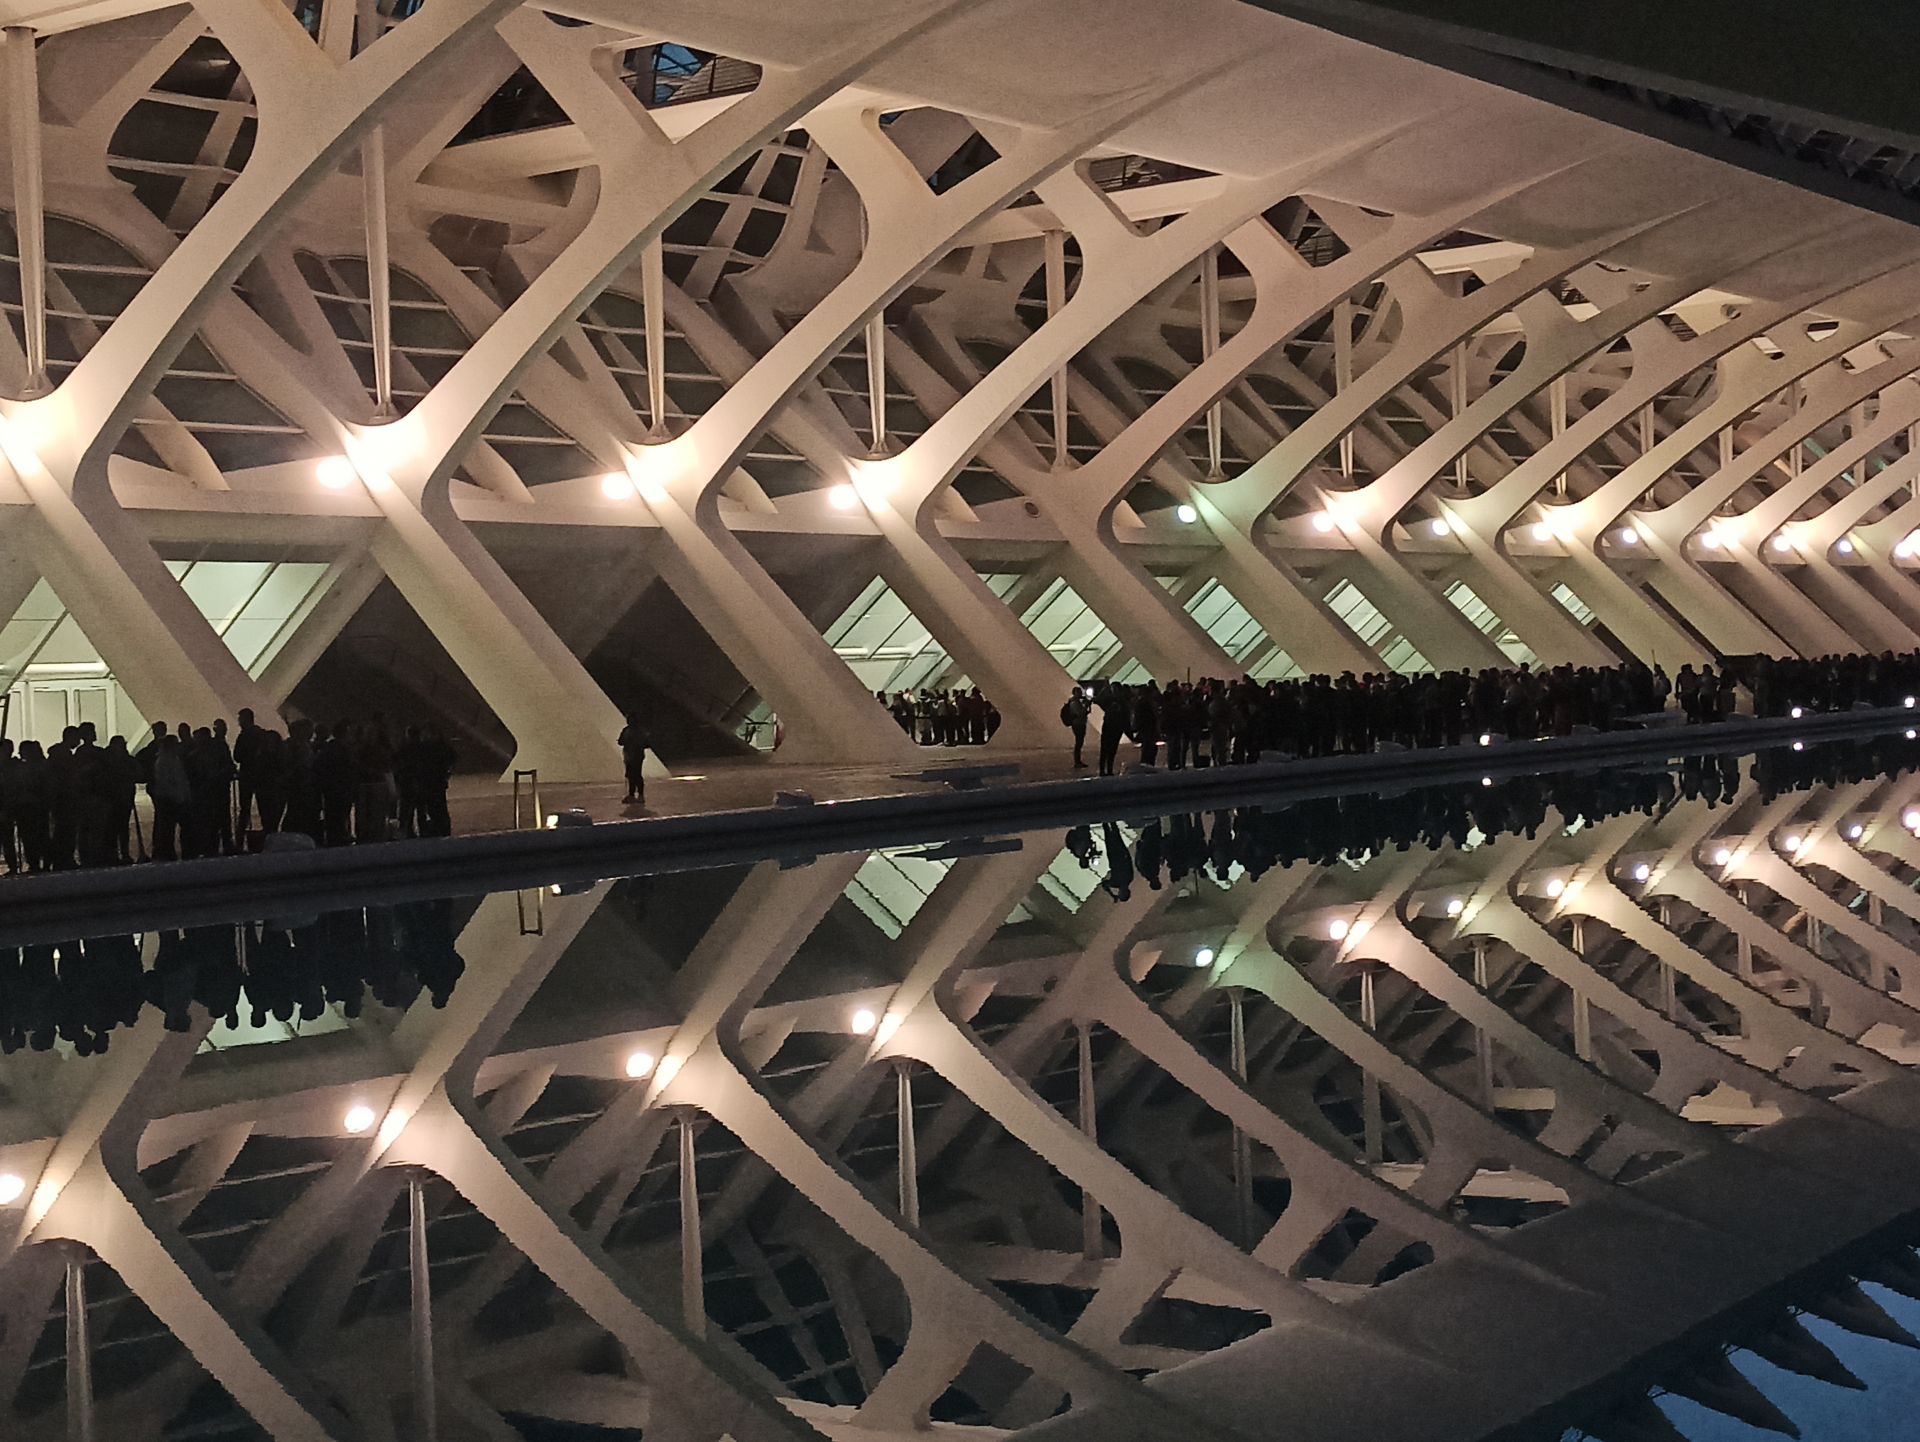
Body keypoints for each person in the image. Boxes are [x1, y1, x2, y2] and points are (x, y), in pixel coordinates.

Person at [617, 714, 652, 805]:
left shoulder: (630, 731)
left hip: (635, 756)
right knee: (631, 775)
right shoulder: (635, 731)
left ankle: (639, 795)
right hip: (630, 755)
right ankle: (632, 794)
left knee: (636, 775)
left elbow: (621, 741)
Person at [1059, 688, 1090, 769]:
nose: (1080, 694)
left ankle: (1078, 761)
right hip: (1078, 724)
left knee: (1079, 742)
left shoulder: (1076, 702)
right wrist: (1086, 706)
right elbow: (1080, 714)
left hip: (1079, 724)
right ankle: (1077, 761)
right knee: (1079, 742)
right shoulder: (1074, 703)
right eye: (1078, 692)